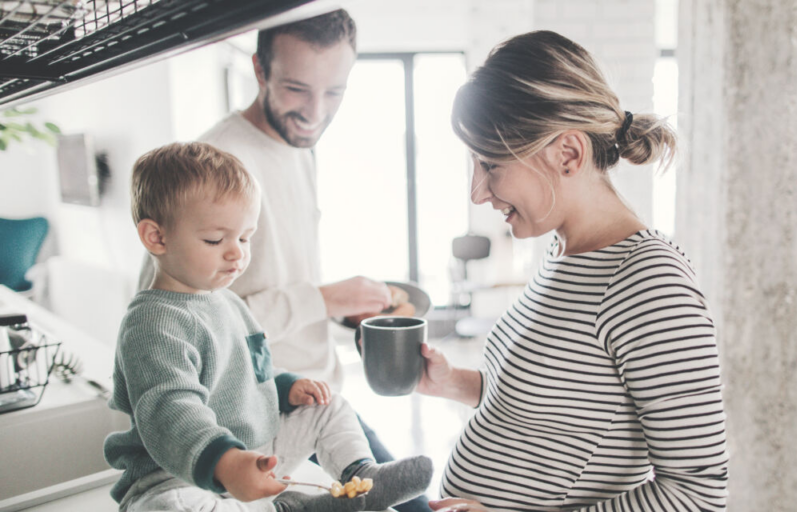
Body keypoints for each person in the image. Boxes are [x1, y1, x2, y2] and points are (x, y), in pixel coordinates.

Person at [417, 31, 729, 512]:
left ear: (568, 154)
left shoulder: (650, 282)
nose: (478, 192)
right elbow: (555, 414)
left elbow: (697, 494)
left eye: (492, 165)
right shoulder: (564, 253)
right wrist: (452, 382)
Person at [137, 11, 432, 511]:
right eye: (297, 89)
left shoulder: (297, 147)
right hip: (249, 422)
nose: (315, 112)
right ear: (259, 70)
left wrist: (339, 311)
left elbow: (275, 279)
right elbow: (176, 315)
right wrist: (321, 298)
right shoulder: (217, 163)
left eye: (334, 92)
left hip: (310, 397)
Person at [106, 142, 432, 512]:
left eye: (245, 237)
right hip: (175, 474)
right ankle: (292, 508)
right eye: (216, 239)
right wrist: (225, 463)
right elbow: (170, 411)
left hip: (254, 453)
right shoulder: (152, 323)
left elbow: (249, 371)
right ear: (156, 237)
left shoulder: (225, 300)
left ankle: (361, 478)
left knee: (330, 407)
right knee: (171, 508)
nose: (237, 253)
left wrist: (285, 387)